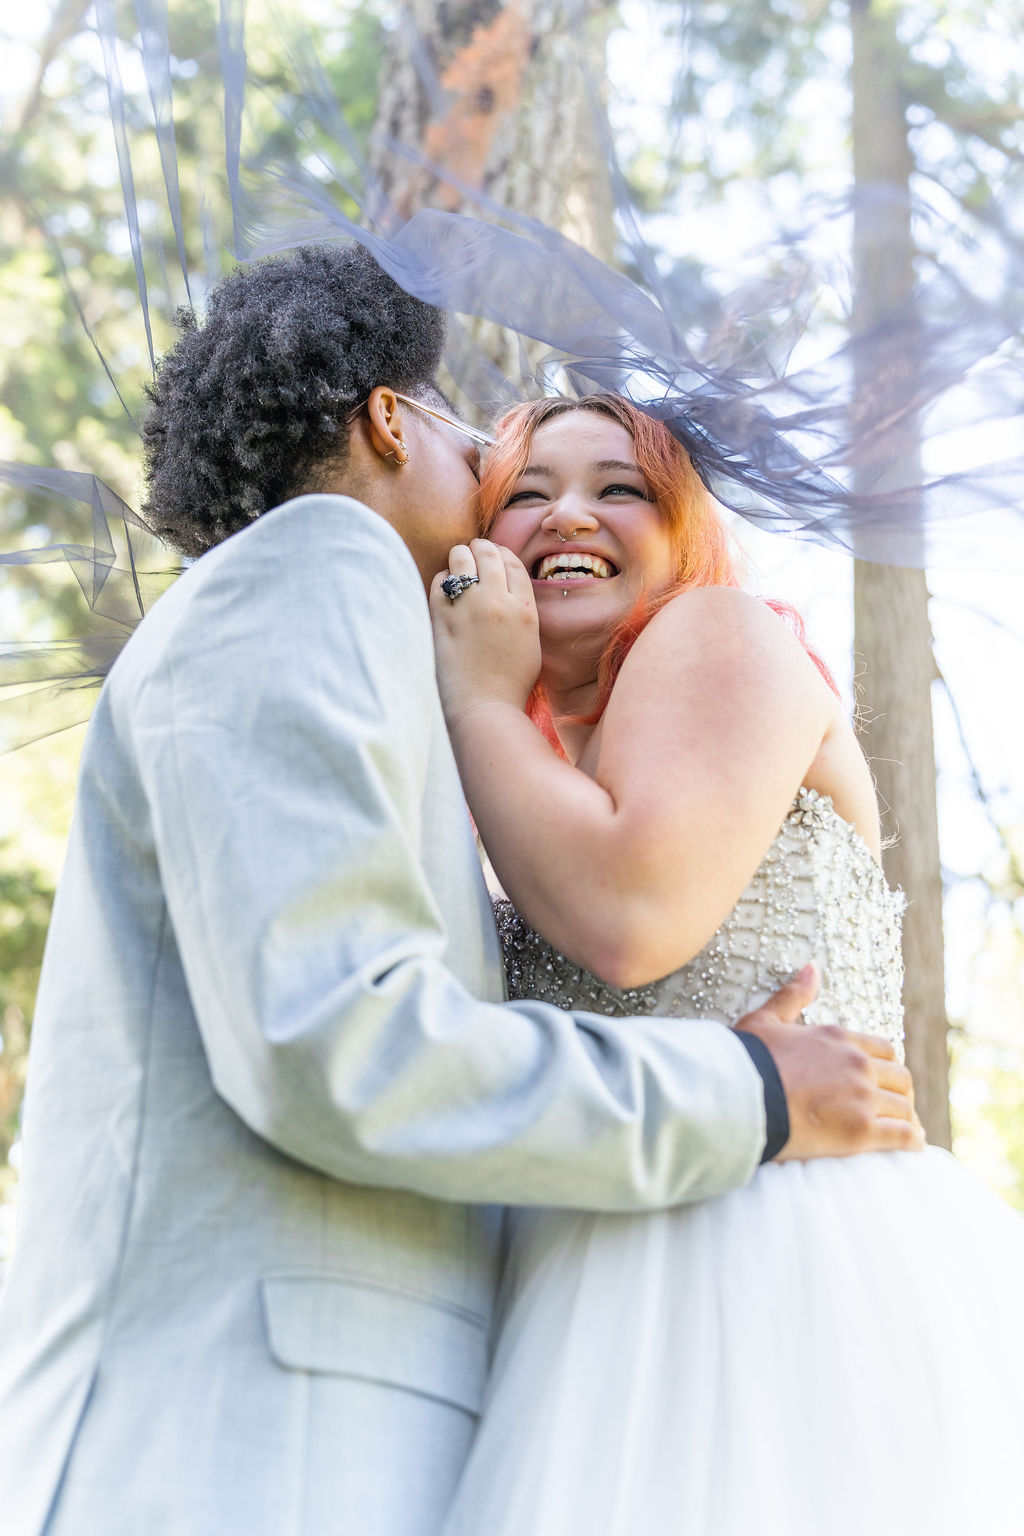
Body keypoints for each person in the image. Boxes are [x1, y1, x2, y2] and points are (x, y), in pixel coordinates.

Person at [0, 246, 919, 1536]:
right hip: (260, 1444)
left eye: (617, 488)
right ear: (390, 415)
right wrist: (749, 1088)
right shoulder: (314, 566)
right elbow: (341, 1039)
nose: (531, 508)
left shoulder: (481, 673)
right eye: (496, 459)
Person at [429, 393, 1024, 1536]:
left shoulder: (717, 631)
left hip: (776, 1254)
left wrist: (474, 697)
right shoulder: (507, 768)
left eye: (620, 487)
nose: (569, 515)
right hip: (571, 1262)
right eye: (525, 495)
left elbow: (629, 916)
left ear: (684, 530)